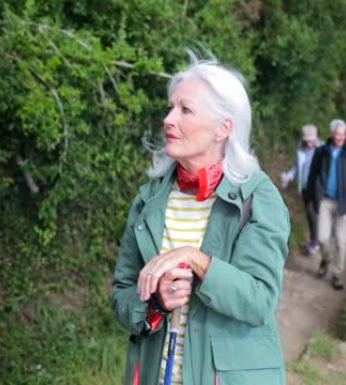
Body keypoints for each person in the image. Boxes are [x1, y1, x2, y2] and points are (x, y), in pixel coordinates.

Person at [110, 53, 290, 385]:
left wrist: (194, 259)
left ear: (223, 127)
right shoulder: (148, 200)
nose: (168, 119)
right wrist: (155, 304)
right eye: (169, 108)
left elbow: (259, 301)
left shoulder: (257, 198)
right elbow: (121, 293)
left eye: (185, 110)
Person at [307, 119, 346, 290]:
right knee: (322, 238)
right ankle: (326, 259)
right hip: (325, 200)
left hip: (344, 203)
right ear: (332, 133)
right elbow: (312, 175)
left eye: (343, 134)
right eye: (337, 133)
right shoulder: (321, 152)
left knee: (341, 241)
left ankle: (337, 274)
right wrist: (311, 196)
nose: (340, 137)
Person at [280, 124, 323, 254]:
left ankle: (316, 242)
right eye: (307, 139)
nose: (309, 142)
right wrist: (288, 176)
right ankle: (314, 239)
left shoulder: (322, 149)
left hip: (317, 188)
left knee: (312, 212)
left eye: (311, 139)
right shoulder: (301, 148)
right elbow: (297, 169)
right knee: (310, 215)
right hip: (304, 188)